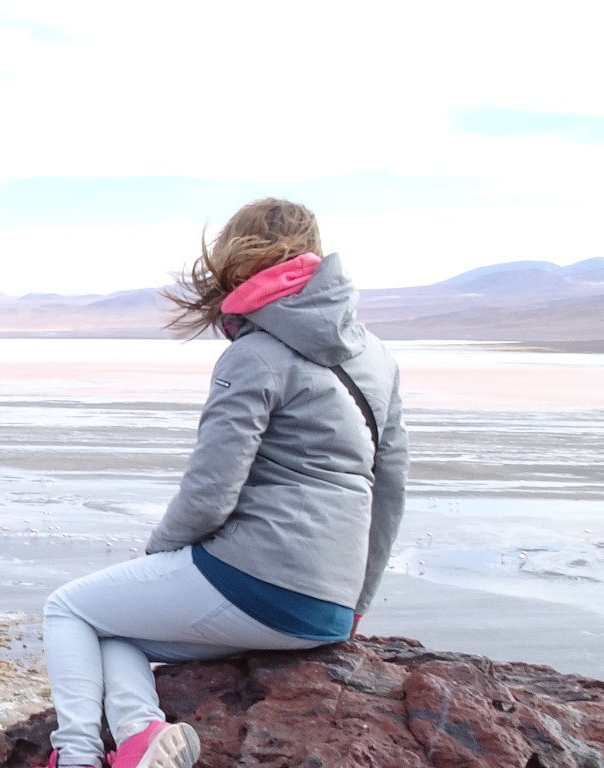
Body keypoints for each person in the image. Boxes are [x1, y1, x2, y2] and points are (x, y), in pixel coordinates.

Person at [33, 198, 409, 768]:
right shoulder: (377, 357)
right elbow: (390, 490)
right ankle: (140, 739)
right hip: (325, 612)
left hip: (256, 581)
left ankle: (77, 755)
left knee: (69, 609)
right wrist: (354, 606)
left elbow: (212, 488)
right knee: (118, 628)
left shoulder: (256, 354)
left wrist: (160, 555)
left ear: (234, 256)